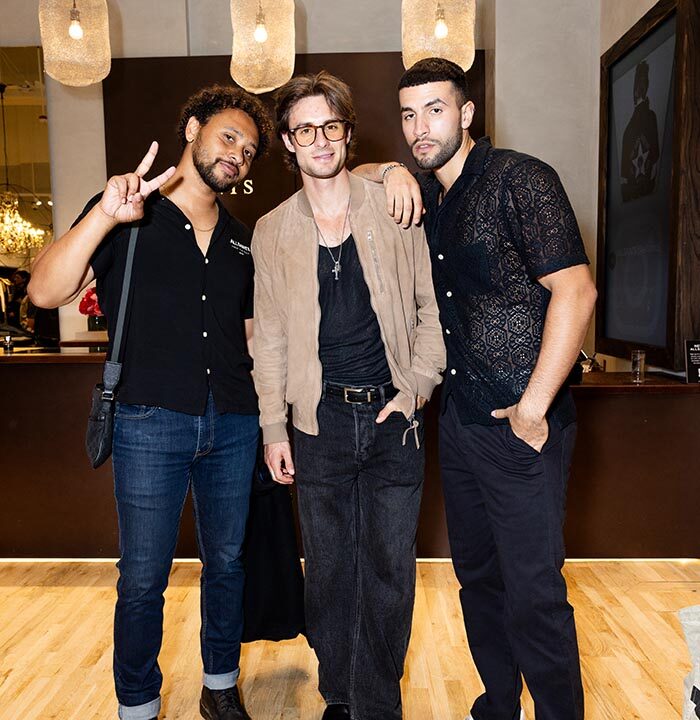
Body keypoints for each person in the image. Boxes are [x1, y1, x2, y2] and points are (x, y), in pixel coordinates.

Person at [28, 85, 274, 720]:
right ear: (192, 128)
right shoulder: (129, 212)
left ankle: (221, 686)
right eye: (228, 137)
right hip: (148, 420)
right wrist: (104, 216)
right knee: (143, 577)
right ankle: (137, 703)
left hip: (234, 421)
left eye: (249, 150)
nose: (238, 154)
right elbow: (45, 292)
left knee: (227, 564)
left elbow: (249, 337)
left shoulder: (243, 240)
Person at [391, 57, 596, 720]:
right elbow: (358, 174)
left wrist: (534, 407)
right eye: (409, 115)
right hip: (461, 424)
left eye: (436, 109)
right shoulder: (429, 199)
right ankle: (499, 706)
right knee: (477, 580)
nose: (421, 128)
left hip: (521, 424)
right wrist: (390, 170)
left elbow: (576, 291)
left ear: (467, 112)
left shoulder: (520, 179)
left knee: (534, 594)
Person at [251, 71, 445, 720]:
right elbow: (270, 339)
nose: (320, 140)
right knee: (330, 574)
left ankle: (378, 704)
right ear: (288, 141)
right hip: (318, 421)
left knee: (389, 572)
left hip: (394, 416)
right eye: (304, 129)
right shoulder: (272, 231)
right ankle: (340, 694)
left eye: (330, 126)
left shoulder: (392, 204)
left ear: (346, 131)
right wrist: (273, 429)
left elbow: (429, 309)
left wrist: (417, 388)